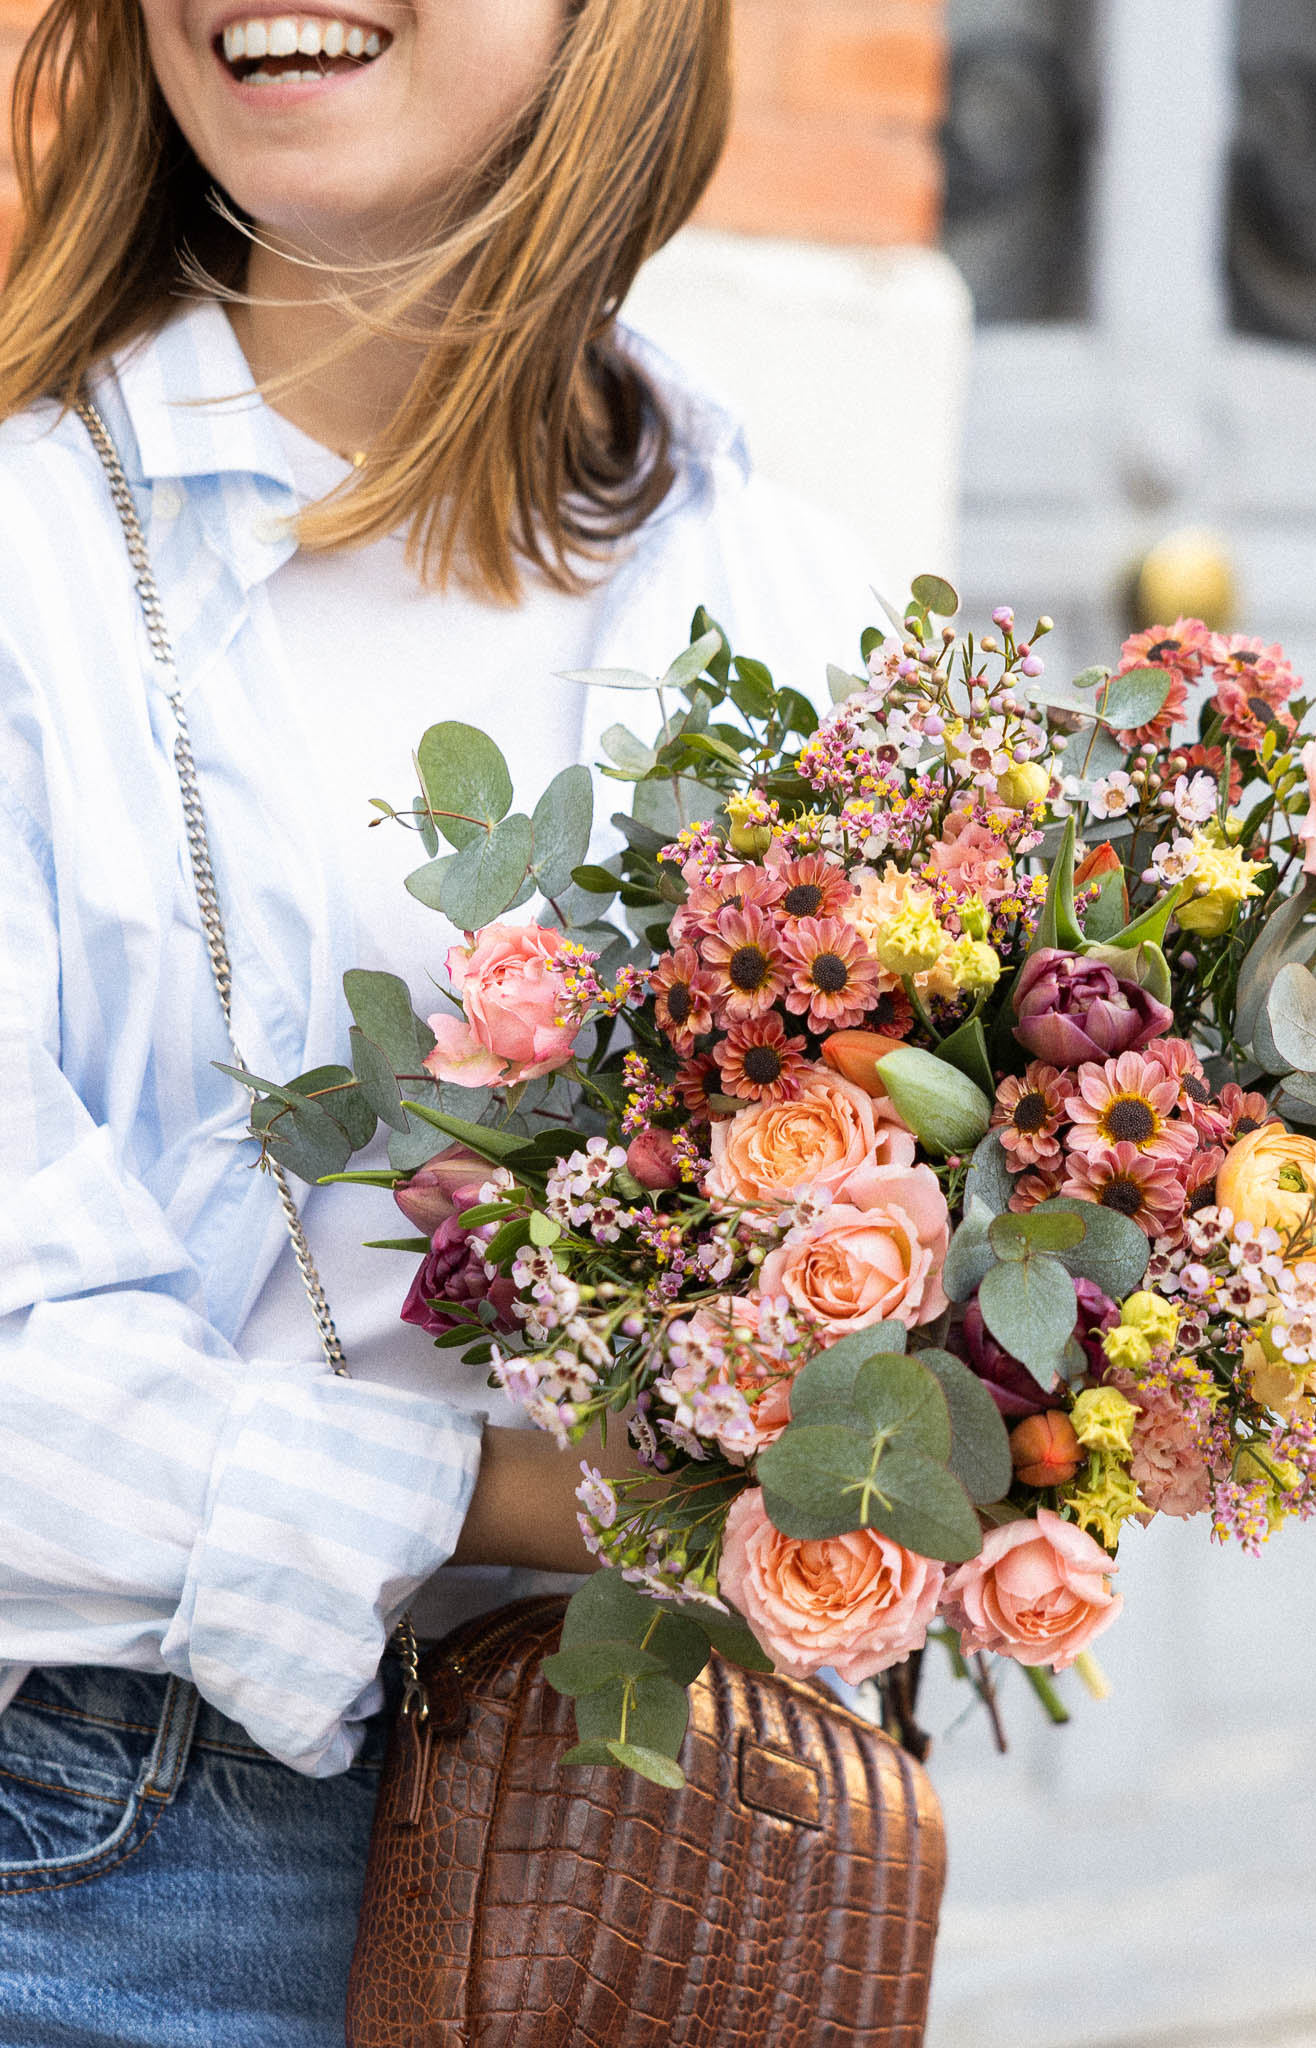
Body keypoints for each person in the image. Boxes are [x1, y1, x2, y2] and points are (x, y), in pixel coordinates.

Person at [0, 3, 871, 2039]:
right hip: (106, 1871)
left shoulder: (795, 598)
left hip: (662, 1845)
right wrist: (539, 1499)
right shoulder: (34, 568)